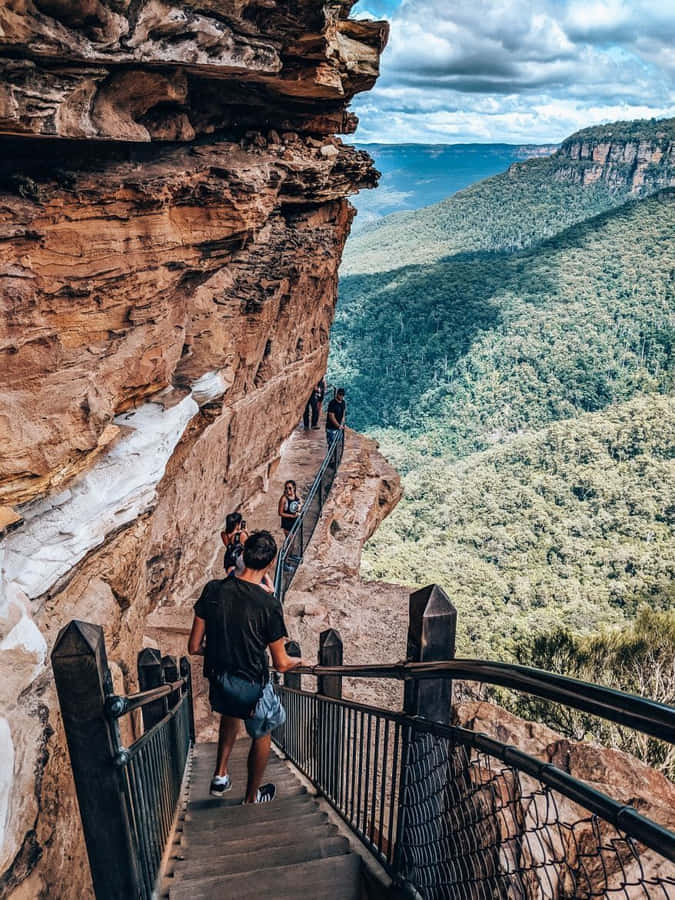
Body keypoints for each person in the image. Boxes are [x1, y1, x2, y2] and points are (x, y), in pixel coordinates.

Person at [188, 531, 304, 803]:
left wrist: (221, 650)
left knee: (231, 711)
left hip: (220, 680)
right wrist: (300, 661)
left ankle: (220, 774)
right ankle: (252, 796)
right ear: (271, 563)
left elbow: (193, 646)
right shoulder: (268, 605)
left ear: (243, 554)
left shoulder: (213, 590)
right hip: (251, 682)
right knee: (264, 729)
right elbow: (281, 662)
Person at [221, 512, 248, 576]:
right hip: (238, 564)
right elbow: (249, 547)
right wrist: (246, 532)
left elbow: (229, 546)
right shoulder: (241, 535)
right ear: (237, 524)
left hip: (228, 563)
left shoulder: (224, 534)